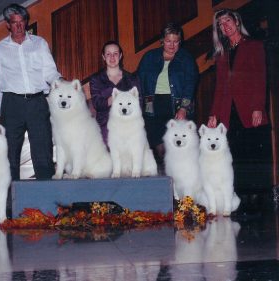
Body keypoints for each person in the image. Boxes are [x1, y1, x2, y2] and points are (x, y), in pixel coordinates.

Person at [0, 3, 61, 181]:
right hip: (11, 104)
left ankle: (46, 198)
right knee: (10, 154)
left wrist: (61, 84)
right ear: (8, 24)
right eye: (14, 23)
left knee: (43, 151)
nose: (19, 26)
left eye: (22, 22)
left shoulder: (39, 43)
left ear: (26, 23)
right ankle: (10, 200)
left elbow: (50, 72)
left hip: (37, 103)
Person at [207, 9, 271, 188]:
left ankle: (258, 202)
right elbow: (219, 87)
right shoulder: (221, 53)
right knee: (235, 158)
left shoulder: (254, 45)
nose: (224, 26)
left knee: (254, 158)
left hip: (250, 111)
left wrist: (258, 107)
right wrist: (214, 113)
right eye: (220, 24)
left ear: (236, 21)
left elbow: (261, 78)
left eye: (227, 21)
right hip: (229, 113)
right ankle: (242, 200)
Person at [137, 23, 198, 172]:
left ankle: (184, 195)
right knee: (162, 152)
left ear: (180, 41)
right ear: (162, 41)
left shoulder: (186, 59)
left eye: (175, 41)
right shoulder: (149, 57)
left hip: (177, 108)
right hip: (153, 109)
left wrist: (183, 108)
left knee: (179, 153)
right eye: (168, 41)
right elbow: (139, 82)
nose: (172, 45)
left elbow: (191, 84)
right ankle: (166, 189)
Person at [90, 40, 140, 145]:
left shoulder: (131, 78)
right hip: (105, 124)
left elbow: (140, 103)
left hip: (128, 123)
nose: (112, 57)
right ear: (103, 57)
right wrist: (113, 100)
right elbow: (97, 104)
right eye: (108, 54)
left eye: (115, 53)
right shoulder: (96, 79)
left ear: (120, 55)